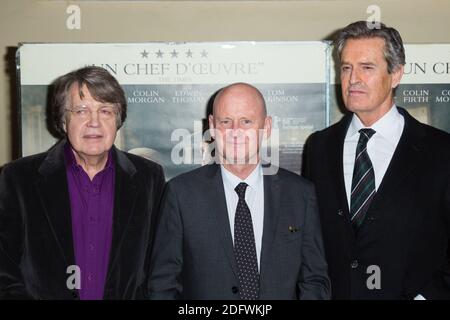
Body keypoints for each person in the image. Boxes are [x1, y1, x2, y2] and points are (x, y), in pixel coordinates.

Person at [303, 21, 450, 299]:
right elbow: (311, 241)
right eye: (346, 67)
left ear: (396, 74)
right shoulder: (320, 147)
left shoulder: (441, 152)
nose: (353, 78)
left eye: (366, 67)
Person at [148, 82, 330, 300]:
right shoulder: (181, 194)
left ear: (267, 126)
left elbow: (315, 281)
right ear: (212, 126)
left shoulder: (300, 194)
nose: (236, 131)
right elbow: (162, 285)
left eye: (246, 121)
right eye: (226, 121)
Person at [0, 66, 165, 299]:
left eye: (105, 111)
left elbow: (159, 267)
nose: (94, 122)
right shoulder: (18, 179)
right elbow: (4, 271)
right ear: (63, 121)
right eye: (81, 111)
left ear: (118, 120)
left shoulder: (149, 178)